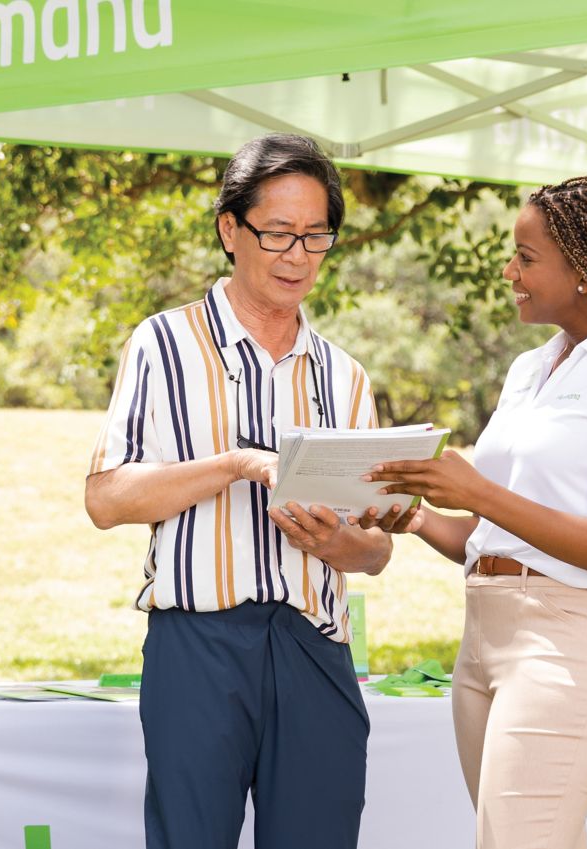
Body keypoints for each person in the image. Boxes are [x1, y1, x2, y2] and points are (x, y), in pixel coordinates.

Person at [364, 176, 587, 848]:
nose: (508, 270)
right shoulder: (530, 368)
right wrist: (412, 515)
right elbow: (490, 531)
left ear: (582, 269)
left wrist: (476, 491)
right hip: (484, 635)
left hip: (575, 642)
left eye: (525, 256)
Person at [85, 133, 393, 849]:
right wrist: (234, 465)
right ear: (230, 228)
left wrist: (348, 544)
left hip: (315, 648)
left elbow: (378, 548)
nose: (297, 256)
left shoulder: (344, 377)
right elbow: (107, 498)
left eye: (316, 236)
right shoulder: (161, 345)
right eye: (278, 233)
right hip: (198, 647)